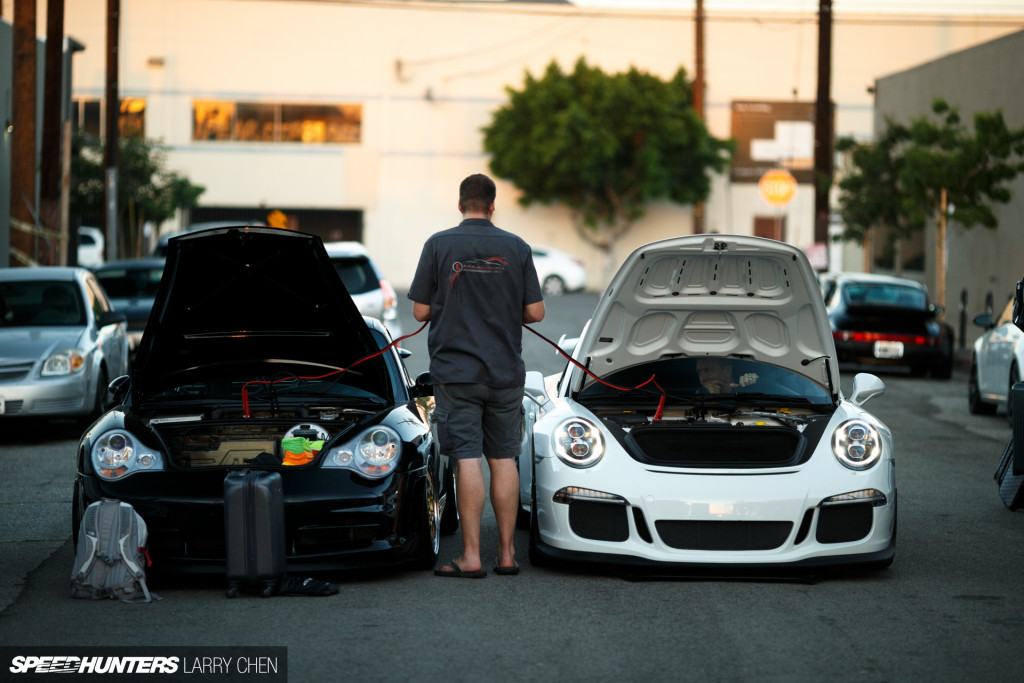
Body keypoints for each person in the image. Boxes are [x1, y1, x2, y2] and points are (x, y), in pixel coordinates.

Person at [408, 173, 545, 578]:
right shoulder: (516, 247)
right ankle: (506, 554)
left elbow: (418, 313)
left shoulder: (437, 244)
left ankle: (470, 557)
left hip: (456, 374)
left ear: (460, 204)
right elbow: (535, 312)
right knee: (503, 460)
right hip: (504, 373)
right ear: (493, 205)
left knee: (466, 458)